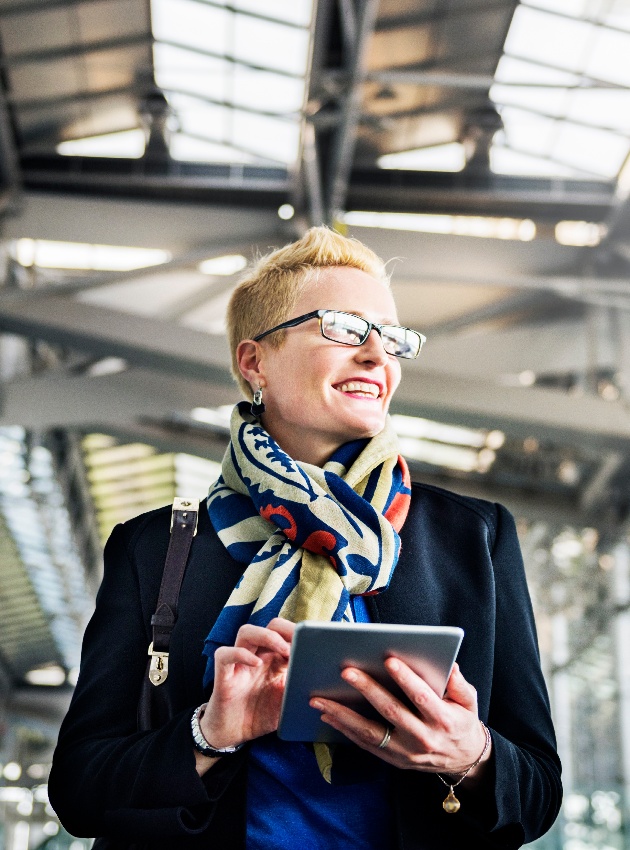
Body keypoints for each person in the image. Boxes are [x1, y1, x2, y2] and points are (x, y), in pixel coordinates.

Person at [49, 227, 562, 849]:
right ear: (254, 361)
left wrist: (468, 754)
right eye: (344, 327)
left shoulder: (473, 538)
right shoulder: (154, 548)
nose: (378, 355)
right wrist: (207, 736)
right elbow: (79, 791)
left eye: (393, 338)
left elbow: (536, 795)